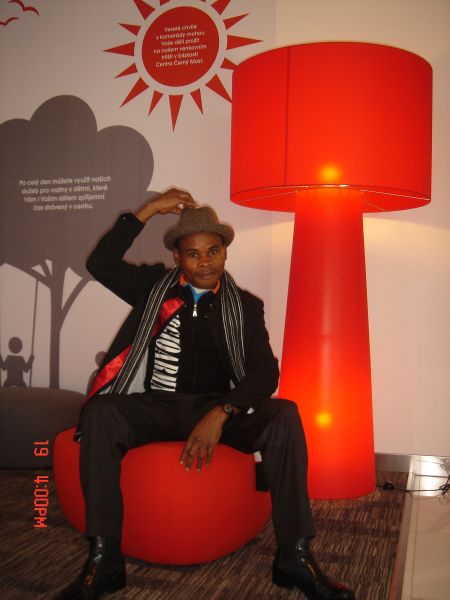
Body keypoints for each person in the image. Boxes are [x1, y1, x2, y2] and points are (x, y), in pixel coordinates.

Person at [57, 188, 355, 600]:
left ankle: (295, 555)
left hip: (218, 407)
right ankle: (105, 559)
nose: (205, 262)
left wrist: (222, 412)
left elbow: (265, 372)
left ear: (224, 252)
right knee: (101, 413)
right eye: (193, 254)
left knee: (284, 414)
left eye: (213, 251)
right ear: (177, 258)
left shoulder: (245, 306)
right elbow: (100, 264)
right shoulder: (151, 287)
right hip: (158, 406)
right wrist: (148, 210)